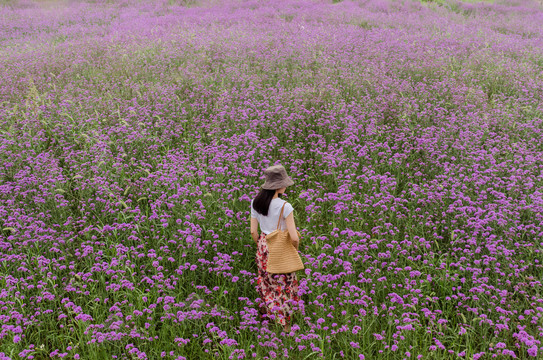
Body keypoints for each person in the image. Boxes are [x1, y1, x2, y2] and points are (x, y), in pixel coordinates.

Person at [250, 164, 301, 333]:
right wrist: (294, 249)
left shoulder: (255, 202)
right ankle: (285, 326)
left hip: (263, 247)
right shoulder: (285, 206)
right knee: (283, 286)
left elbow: (253, 232)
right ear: (279, 186)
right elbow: (294, 237)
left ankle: (267, 315)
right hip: (281, 248)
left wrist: (261, 245)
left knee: (266, 282)